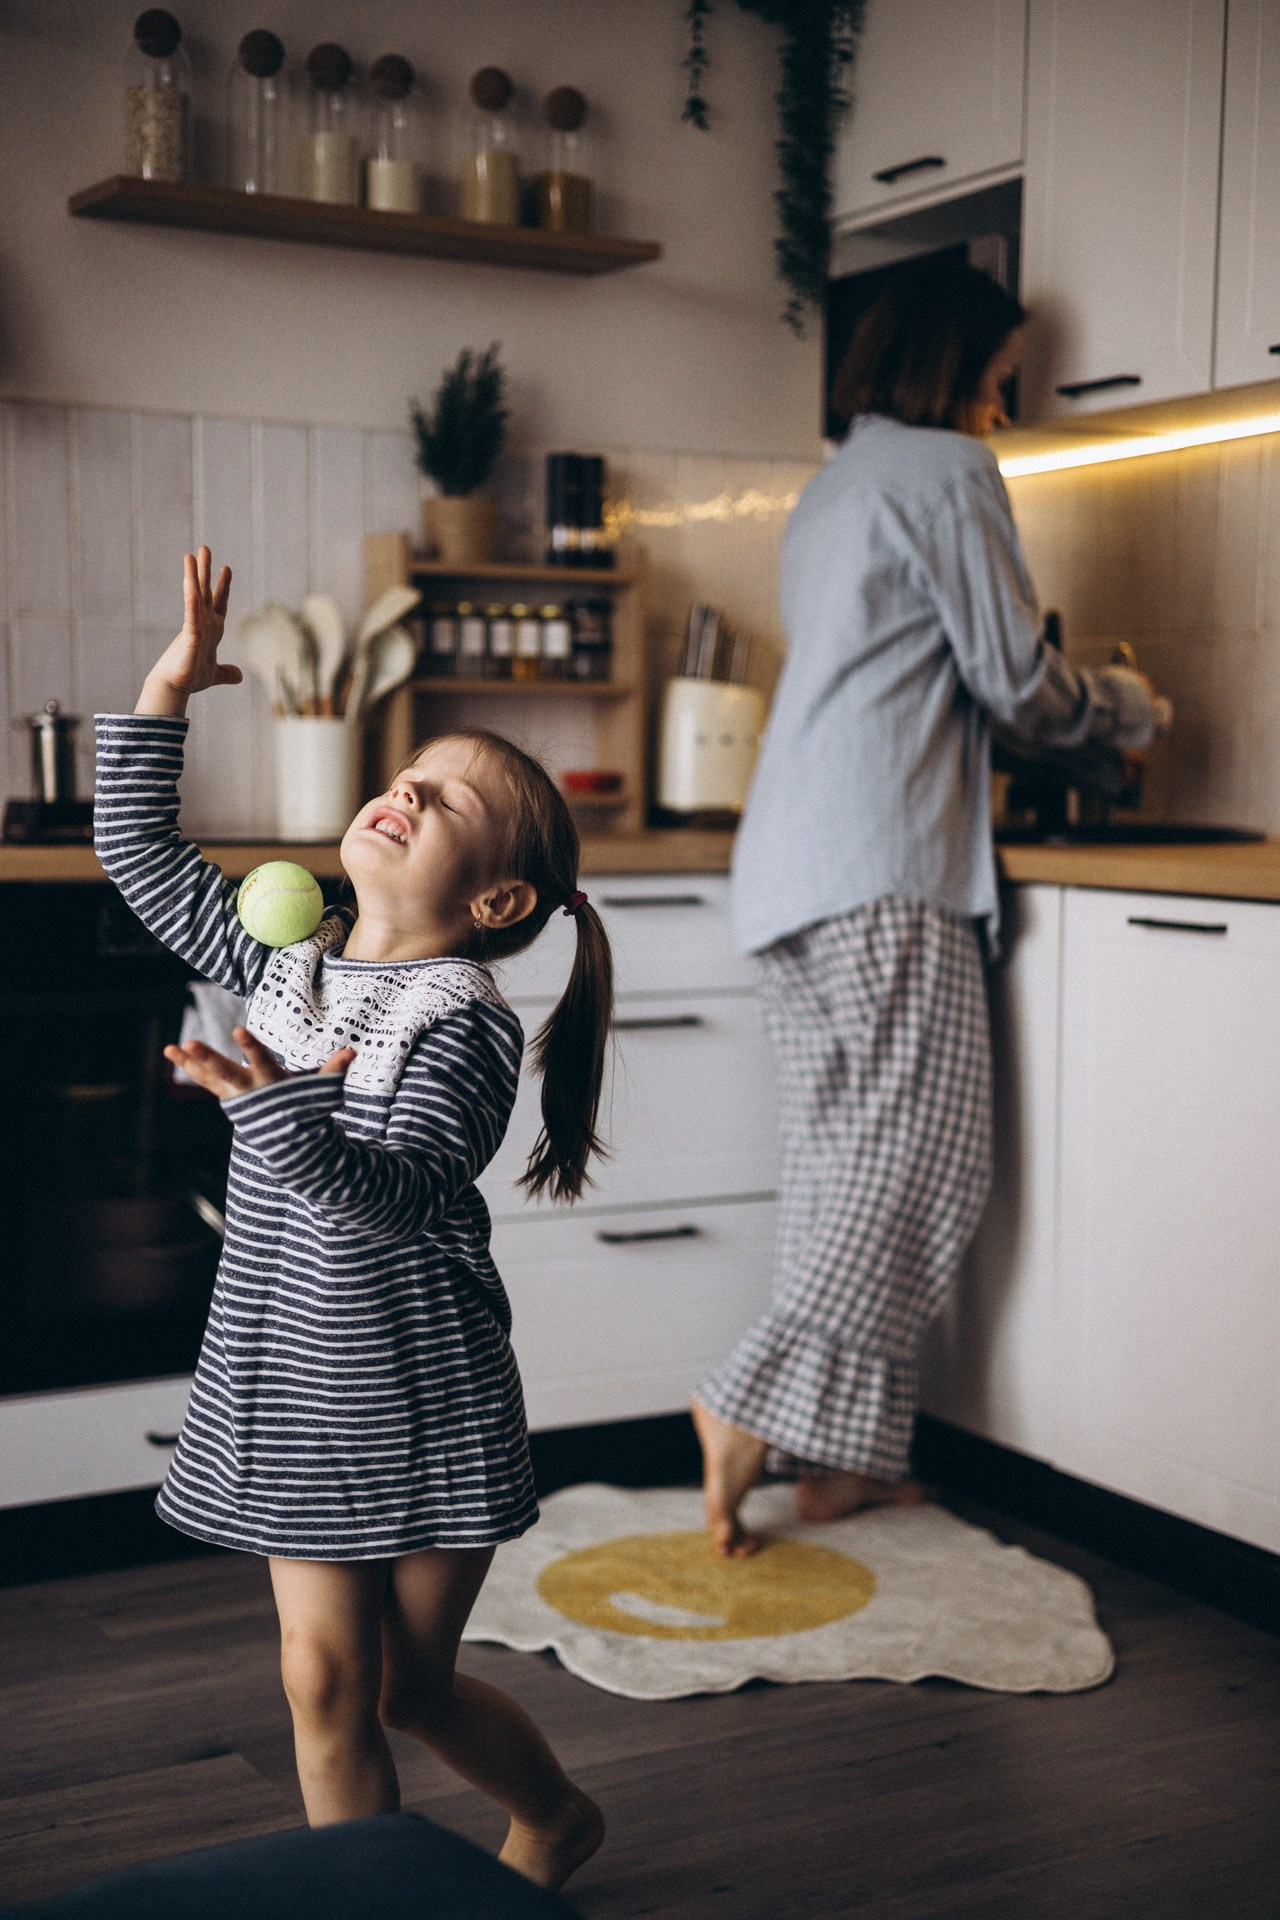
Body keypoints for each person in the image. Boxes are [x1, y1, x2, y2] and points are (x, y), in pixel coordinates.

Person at [93, 548, 610, 1892]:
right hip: (298, 1388)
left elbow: (401, 1190)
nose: (401, 792)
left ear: (492, 904)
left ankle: (556, 1817)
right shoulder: (288, 958)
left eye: (438, 803)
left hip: (424, 1396)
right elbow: (137, 852)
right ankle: (358, 1904)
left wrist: (267, 1112)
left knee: (410, 1692)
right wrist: (166, 688)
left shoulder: (466, 1025)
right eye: (403, 777)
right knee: (323, 1682)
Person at [692, 257, 1164, 1557]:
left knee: (843, 1162)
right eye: (1004, 381)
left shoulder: (835, 484)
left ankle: (836, 1465)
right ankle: (746, 1406)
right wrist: (1127, 712)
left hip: (790, 864)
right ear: (954, 364)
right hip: (882, 864)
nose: (1008, 409)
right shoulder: (950, 474)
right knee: (923, 1166)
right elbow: (1014, 682)